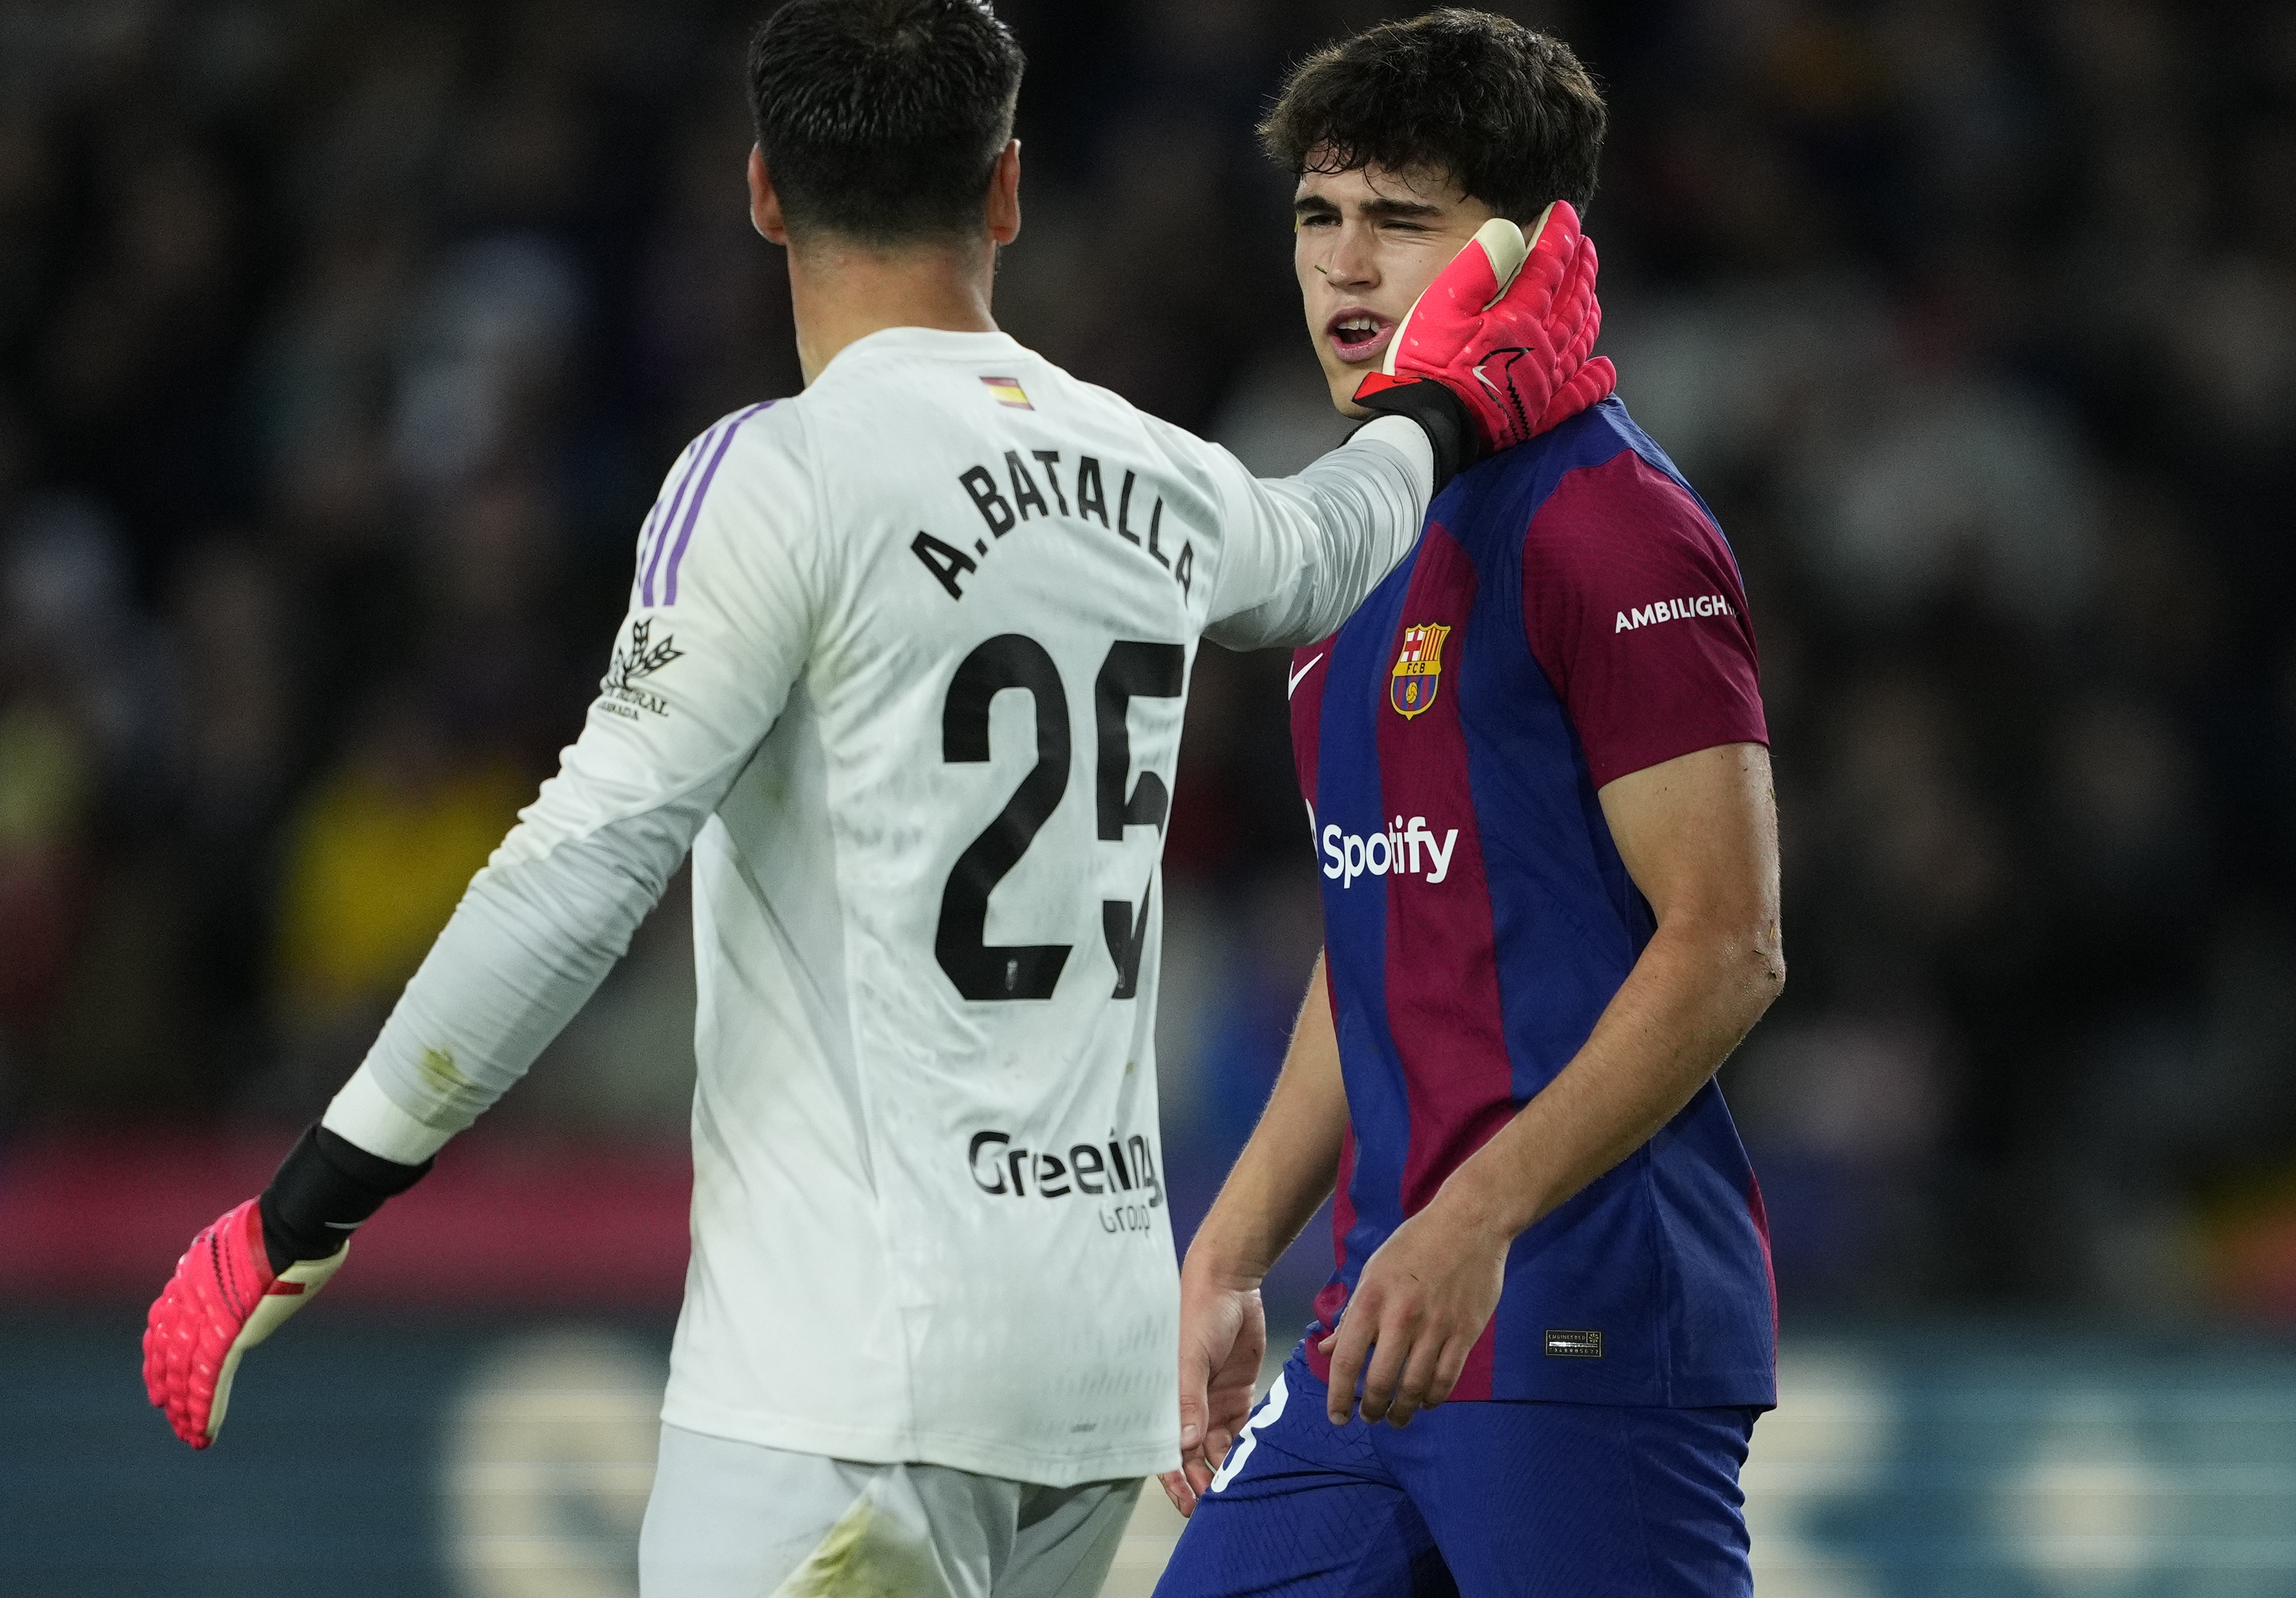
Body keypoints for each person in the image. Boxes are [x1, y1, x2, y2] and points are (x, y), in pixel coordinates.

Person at [137, 2, 1611, 1594]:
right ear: (1008, 191)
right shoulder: (1152, 469)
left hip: (840, 1387)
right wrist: (1450, 405)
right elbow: (1325, 545)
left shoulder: (780, 474)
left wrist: (310, 1200)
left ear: (764, 191)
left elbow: (581, 862)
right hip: (1089, 1377)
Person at [1152, 12, 1786, 1596]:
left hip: (1576, 1319)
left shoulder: (1613, 528)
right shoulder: (1356, 534)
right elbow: (1378, 930)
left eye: (1403, 221)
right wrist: (1230, 1250)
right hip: (1381, 1324)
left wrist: (1475, 1215)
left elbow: (1730, 944)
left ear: (1520, 251)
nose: (1348, 270)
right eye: (1321, 218)